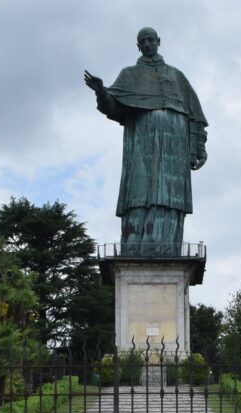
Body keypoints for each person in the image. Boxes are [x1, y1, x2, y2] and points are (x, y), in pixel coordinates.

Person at [84, 27, 208, 256]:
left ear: (159, 41)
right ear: (138, 46)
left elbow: (196, 117)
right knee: (139, 194)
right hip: (141, 142)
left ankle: (165, 247)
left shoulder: (177, 76)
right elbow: (113, 106)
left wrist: (198, 147)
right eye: (143, 41)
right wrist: (101, 92)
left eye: (151, 40)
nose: (148, 44)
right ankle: (135, 248)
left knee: (169, 197)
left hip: (175, 146)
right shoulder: (129, 75)